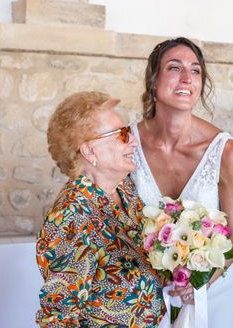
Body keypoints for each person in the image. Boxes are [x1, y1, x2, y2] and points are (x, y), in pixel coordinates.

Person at [131, 37, 233, 327]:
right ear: (154, 82)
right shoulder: (128, 143)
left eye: (195, 71)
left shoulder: (226, 152)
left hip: (218, 278)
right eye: (174, 68)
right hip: (147, 282)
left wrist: (199, 281)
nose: (187, 78)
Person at [36, 91, 164, 327]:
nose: (133, 141)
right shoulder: (72, 215)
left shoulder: (123, 189)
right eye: (122, 134)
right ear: (89, 151)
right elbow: (58, 318)